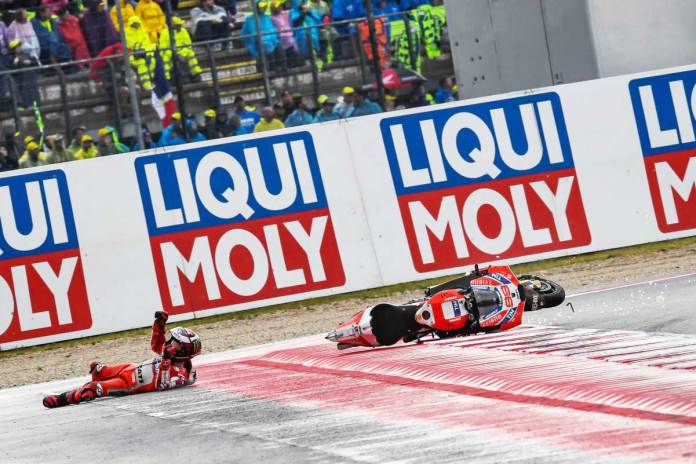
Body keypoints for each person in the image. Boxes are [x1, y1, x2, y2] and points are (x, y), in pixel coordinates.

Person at [43, 311, 200, 408]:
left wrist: (165, 360)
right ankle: (99, 374)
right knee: (99, 369)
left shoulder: (183, 376)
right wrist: (159, 324)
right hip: (128, 368)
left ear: (184, 350)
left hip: (129, 384)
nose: (169, 343)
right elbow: (156, 344)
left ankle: (61, 399)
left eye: (174, 342)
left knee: (93, 388)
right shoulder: (169, 354)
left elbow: (162, 385)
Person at [159, 16, 201, 82]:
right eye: (178, 25)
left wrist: (183, 54)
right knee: (165, 59)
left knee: (191, 54)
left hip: (183, 52)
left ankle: (196, 74)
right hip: (170, 53)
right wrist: (176, 54)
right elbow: (163, 48)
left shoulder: (184, 31)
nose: (180, 26)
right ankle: (167, 79)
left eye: (180, 24)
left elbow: (188, 44)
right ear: (173, 25)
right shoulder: (165, 33)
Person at [241, 1, 281, 70]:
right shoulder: (250, 20)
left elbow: (273, 32)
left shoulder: (267, 18)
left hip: (270, 42)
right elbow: (245, 35)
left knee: (278, 46)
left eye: (264, 6)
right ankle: (270, 69)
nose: (263, 8)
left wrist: (272, 39)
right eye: (261, 7)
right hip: (257, 43)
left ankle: (279, 67)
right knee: (265, 45)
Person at [125, 15, 156, 91]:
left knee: (152, 62)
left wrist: (148, 54)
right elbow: (129, 47)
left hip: (145, 52)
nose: (137, 25)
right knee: (141, 63)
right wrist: (138, 51)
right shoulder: (126, 33)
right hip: (133, 56)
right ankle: (146, 85)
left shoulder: (143, 31)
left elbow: (148, 44)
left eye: (137, 23)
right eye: (135, 23)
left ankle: (156, 82)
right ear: (131, 24)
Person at [270, 0, 303, 69]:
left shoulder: (286, 14)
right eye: (276, 7)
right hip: (280, 39)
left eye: (279, 6)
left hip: (289, 38)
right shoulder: (271, 18)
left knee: (295, 52)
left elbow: (294, 11)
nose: (278, 8)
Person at [9, 39, 40, 109]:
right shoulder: (11, 58)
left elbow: (35, 62)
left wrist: (30, 62)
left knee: (33, 93)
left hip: (30, 79)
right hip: (21, 81)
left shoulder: (25, 54)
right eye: (17, 47)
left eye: (19, 46)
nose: (19, 48)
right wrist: (15, 63)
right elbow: (11, 69)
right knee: (24, 93)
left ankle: (34, 104)